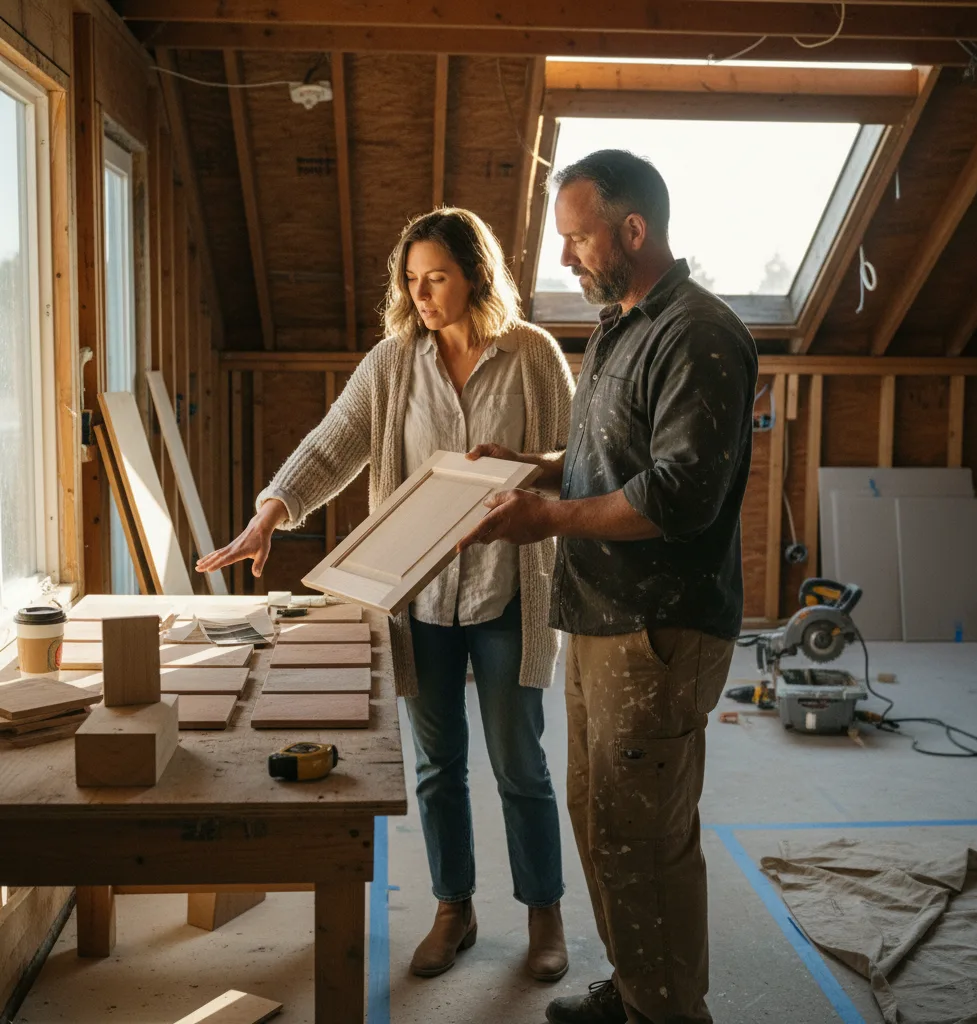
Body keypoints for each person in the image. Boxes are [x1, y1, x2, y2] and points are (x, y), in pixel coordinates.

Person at [196, 208, 575, 982]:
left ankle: (544, 918)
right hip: (420, 601)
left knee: (520, 765)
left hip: (509, 595)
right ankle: (453, 909)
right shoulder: (394, 361)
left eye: (436, 276)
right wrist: (270, 514)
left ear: (475, 272)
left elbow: (577, 459)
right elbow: (333, 443)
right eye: (411, 278)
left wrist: (525, 463)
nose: (422, 292)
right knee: (437, 766)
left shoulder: (533, 355)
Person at [458, 151, 758, 1024]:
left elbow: (676, 495)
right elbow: (606, 462)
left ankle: (667, 1014)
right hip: (600, 618)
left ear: (634, 230)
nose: (565, 259)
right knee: (606, 824)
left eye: (578, 237)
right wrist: (537, 466)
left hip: (657, 629)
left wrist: (543, 519)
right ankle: (637, 994)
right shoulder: (623, 323)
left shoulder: (696, 332)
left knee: (649, 836)